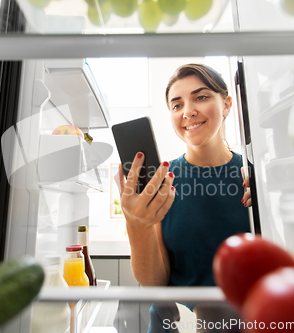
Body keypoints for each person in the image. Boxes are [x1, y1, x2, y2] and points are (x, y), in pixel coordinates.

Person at [115, 64, 252, 332]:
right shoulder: (164, 182)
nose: (188, 111)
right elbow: (153, 282)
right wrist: (136, 223)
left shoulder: (252, 178)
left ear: (226, 105)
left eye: (201, 97)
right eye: (176, 105)